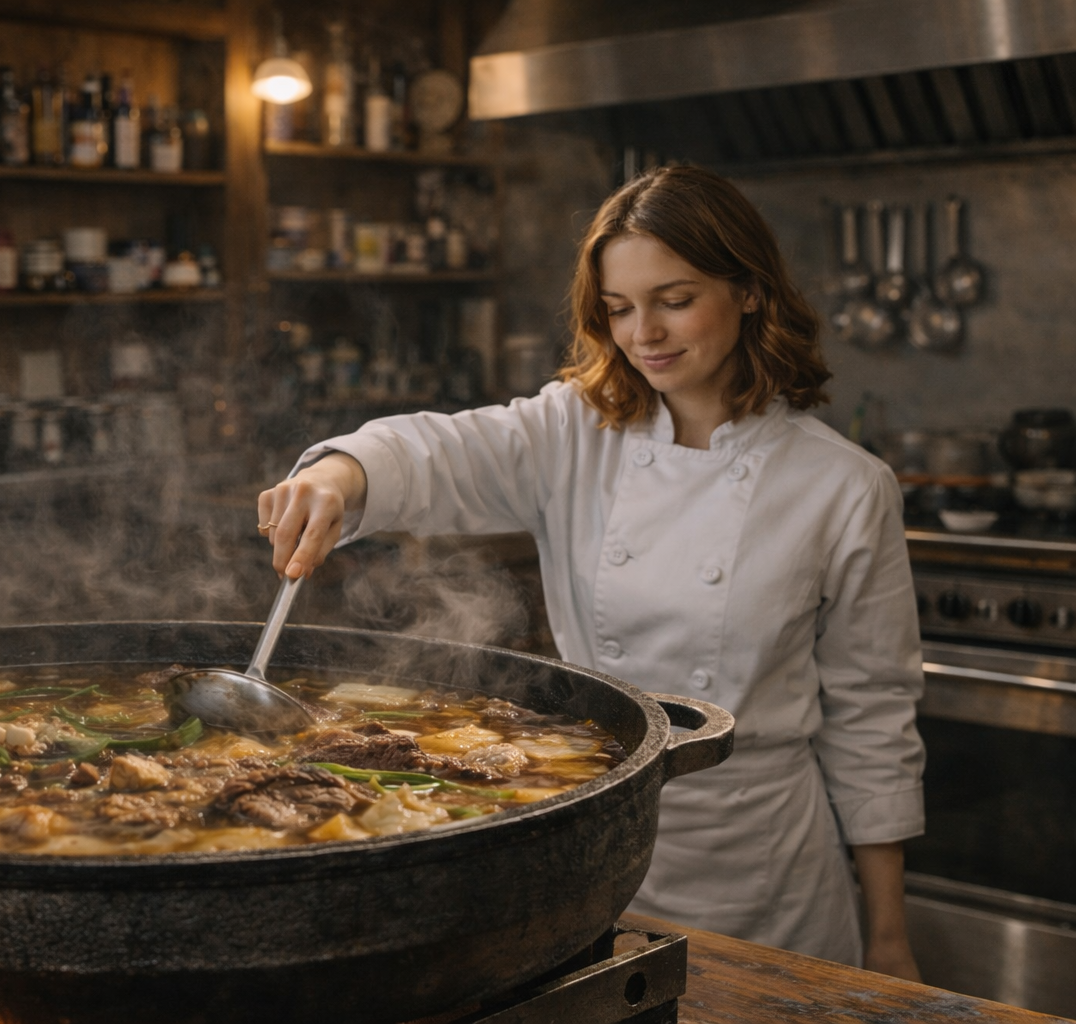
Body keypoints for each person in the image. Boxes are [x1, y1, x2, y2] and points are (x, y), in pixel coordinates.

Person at [257, 166, 925, 978]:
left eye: (674, 300)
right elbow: (437, 449)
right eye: (619, 308)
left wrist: (888, 931)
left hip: (765, 864)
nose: (644, 333)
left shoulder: (845, 484)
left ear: (749, 291)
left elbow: (872, 716)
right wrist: (340, 475)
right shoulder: (574, 430)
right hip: (592, 845)